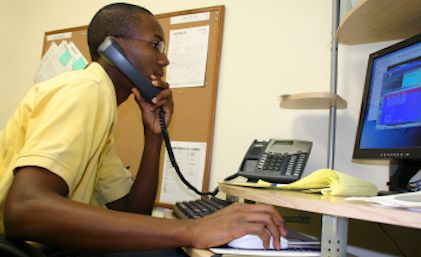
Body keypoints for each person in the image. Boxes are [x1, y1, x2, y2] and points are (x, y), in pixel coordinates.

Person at [0, 2, 287, 256]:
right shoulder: (87, 90)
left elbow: (132, 213)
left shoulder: (102, 106)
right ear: (114, 48)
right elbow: (25, 209)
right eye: (156, 45)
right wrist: (193, 230)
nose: (165, 59)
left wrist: (154, 137)